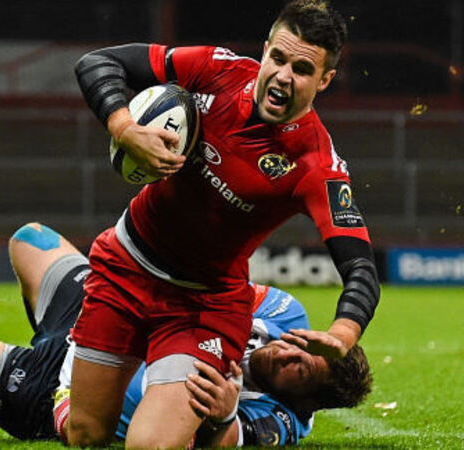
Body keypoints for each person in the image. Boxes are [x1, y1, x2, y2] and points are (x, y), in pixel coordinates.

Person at [68, 0, 380, 446]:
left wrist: (343, 333)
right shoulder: (216, 68)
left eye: (302, 69)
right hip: (125, 265)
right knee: (85, 435)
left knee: (149, 445)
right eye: (278, 58)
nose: (283, 76)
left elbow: (361, 268)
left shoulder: (317, 164)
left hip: (203, 305)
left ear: (324, 80)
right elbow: (97, 63)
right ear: (265, 50)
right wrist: (125, 128)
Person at [0, 222, 372, 447]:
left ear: (305, 399)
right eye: (303, 343)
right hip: (104, 315)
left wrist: (223, 418)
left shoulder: (281, 422)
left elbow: (232, 442)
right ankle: (55, 328)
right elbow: (213, 288)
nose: (287, 348)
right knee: (30, 237)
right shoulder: (290, 314)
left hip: (59, 388)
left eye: (298, 367)